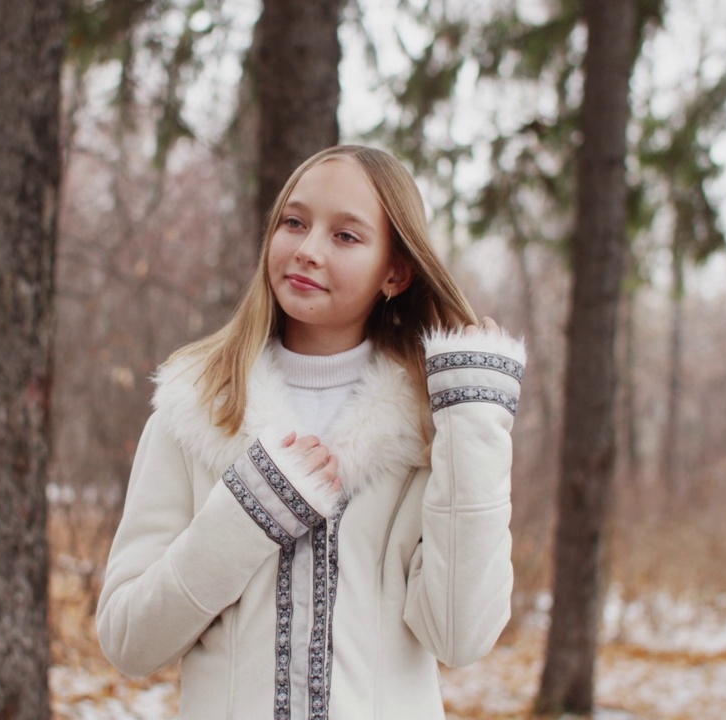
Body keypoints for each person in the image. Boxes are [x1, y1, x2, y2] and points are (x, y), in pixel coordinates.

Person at [96, 145, 526, 719]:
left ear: (395, 272)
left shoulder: (433, 429)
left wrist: (474, 421)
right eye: (294, 223)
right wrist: (243, 519)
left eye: (346, 236)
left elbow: (460, 637)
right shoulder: (194, 411)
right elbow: (129, 642)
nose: (307, 250)